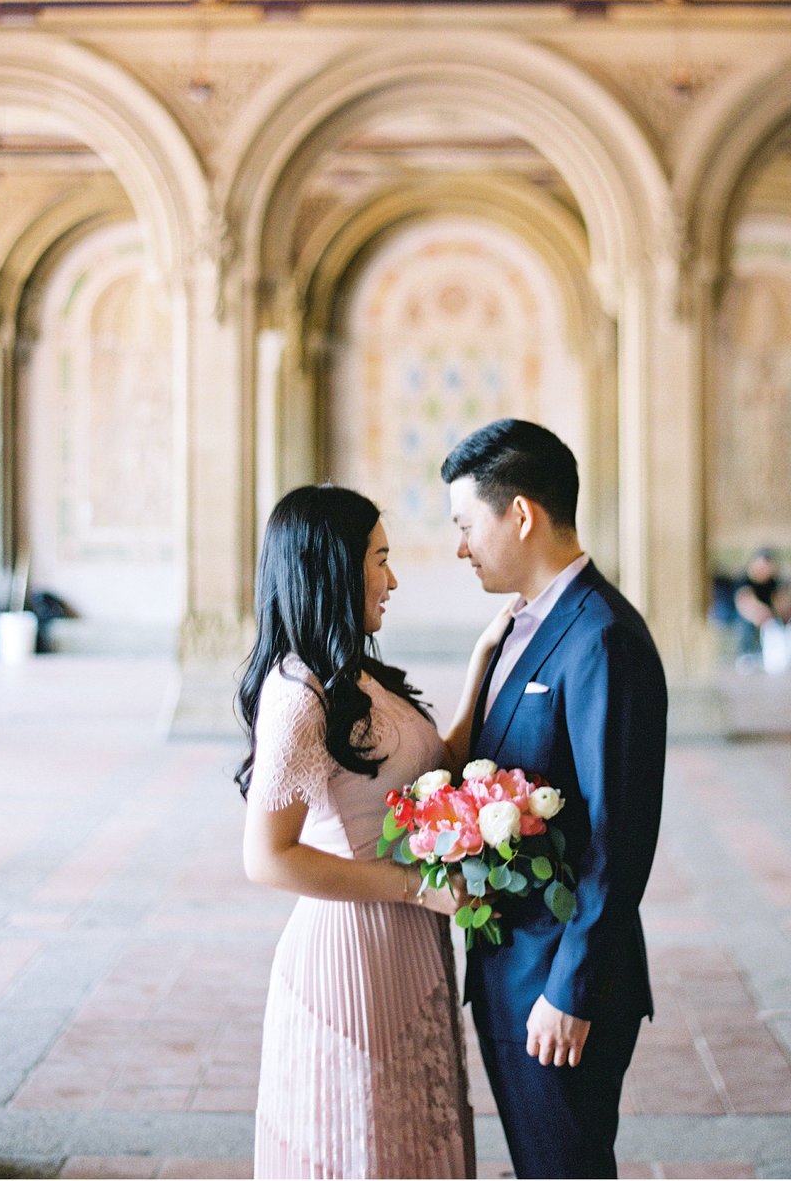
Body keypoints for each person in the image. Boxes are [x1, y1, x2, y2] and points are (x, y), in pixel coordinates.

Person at [237, 485, 502, 1180]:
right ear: (333, 567)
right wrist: (414, 888)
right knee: (364, 1146)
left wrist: (482, 667)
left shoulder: (359, 675)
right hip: (348, 952)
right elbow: (266, 859)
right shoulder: (299, 696)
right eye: (379, 560)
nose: (392, 579)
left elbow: (437, 767)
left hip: (408, 942)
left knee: (412, 1141)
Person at [440, 419, 668, 1180]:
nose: (460, 546)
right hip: (515, 970)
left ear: (522, 515)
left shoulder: (602, 637)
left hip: (563, 987)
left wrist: (569, 990)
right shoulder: (520, 627)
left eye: (466, 525)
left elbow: (617, 834)